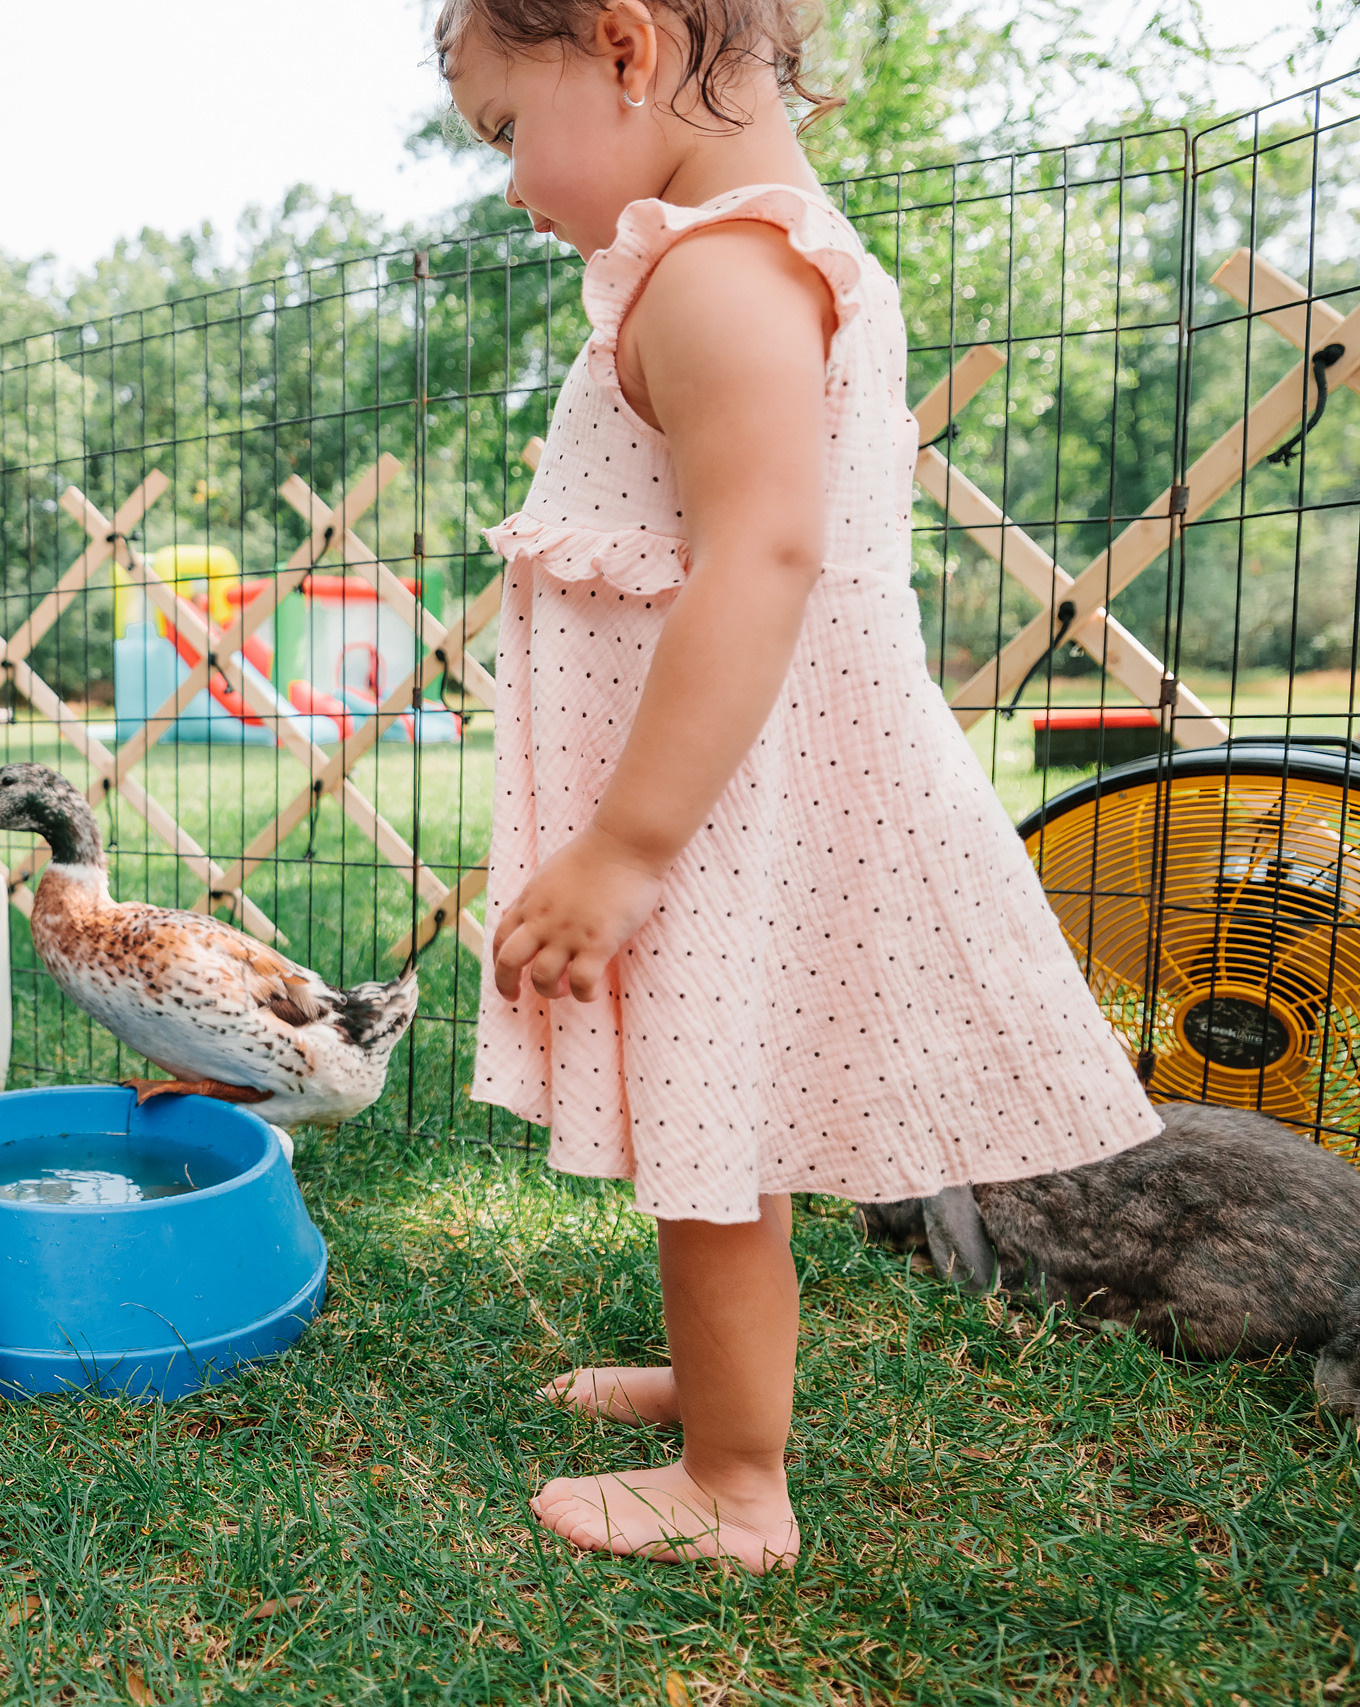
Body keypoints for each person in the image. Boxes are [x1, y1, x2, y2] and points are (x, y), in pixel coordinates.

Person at [440, 0, 1160, 1570]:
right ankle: (718, 1387)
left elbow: (765, 554)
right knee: (721, 1135)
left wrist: (628, 843)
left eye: (505, 128)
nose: (507, 182)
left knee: (714, 1141)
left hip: (725, 802)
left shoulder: (720, 275)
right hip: (742, 783)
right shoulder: (733, 256)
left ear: (626, 51)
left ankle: (735, 1484)